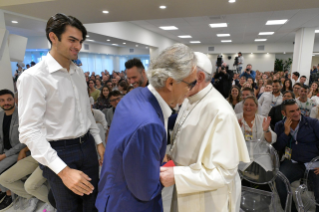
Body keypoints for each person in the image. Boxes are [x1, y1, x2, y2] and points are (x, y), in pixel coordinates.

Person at [17, 13, 105, 212]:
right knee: (69, 207)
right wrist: (64, 172)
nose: (78, 46)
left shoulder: (77, 72)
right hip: (59, 151)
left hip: (87, 145)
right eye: (72, 40)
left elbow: (85, 111)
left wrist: (98, 141)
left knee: (92, 204)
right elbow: (29, 132)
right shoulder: (33, 77)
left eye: (80, 41)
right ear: (53, 37)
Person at [96, 43, 197, 212]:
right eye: (190, 84)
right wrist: (173, 170)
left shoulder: (135, 95)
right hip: (130, 204)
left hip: (112, 194)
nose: (190, 90)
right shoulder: (149, 125)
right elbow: (146, 189)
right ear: (171, 83)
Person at [166, 52, 249, 212]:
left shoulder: (220, 112)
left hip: (208, 200)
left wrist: (177, 175)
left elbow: (225, 172)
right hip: (184, 189)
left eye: (178, 80)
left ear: (200, 77)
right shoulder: (190, 98)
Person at [274, 99, 319, 212]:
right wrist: (286, 133)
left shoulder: (313, 123)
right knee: (280, 179)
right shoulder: (280, 126)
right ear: (284, 113)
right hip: (294, 162)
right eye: (292, 111)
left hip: (314, 163)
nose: (297, 113)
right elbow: (278, 147)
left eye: (298, 109)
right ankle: (290, 209)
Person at [0, 147, 55, 212]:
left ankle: (52, 202)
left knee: (29, 185)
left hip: (52, 156)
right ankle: (32, 197)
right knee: (3, 179)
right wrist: (24, 149)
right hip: (37, 155)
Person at [0, 89, 26, 211]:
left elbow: (24, 141)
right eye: (2, 100)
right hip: (5, 151)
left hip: (19, 151)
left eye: (9, 99)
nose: (6, 103)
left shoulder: (22, 115)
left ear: (14, 100)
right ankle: (2, 190)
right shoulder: (0, 116)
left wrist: (4, 155)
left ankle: (10, 195)